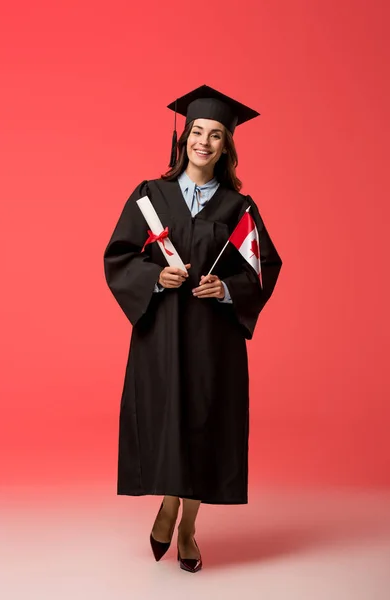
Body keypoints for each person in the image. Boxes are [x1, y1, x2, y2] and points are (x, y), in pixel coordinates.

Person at [103, 85, 282, 573]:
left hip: (212, 339)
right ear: (184, 138)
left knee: (204, 423)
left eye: (216, 135)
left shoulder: (237, 207)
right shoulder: (150, 197)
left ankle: (188, 526)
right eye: (197, 131)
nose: (204, 141)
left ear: (227, 146)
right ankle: (166, 503)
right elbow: (119, 255)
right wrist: (155, 278)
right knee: (168, 421)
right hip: (160, 333)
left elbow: (264, 266)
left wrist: (224, 290)